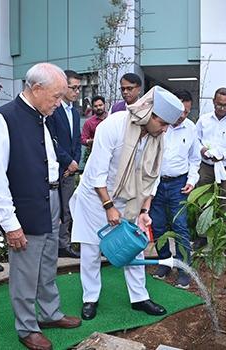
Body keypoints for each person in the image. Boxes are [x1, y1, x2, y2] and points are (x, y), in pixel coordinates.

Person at [0, 63, 81, 350]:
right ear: (36, 88)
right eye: (55, 96)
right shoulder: (4, 119)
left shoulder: (44, 115)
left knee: (48, 262)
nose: (58, 103)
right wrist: (10, 223)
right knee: (26, 270)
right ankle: (27, 326)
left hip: (51, 198)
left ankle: (50, 313)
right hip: (26, 205)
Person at [73, 85, 182, 322]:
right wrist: (109, 206)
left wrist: (144, 210)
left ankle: (139, 298)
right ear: (150, 113)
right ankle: (90, 298)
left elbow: (152, 179)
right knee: (92, 249)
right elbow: (96, 173)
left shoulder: (156, 138)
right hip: (95, 198)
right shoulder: (113, 126)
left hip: (131, 201)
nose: (164, 130)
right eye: (163, 123)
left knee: (135, 246)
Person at [148, 90, 201, 288]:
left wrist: (192, 180)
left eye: (187, 112)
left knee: (179, 226)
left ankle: (184, 268)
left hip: (179, 184)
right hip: (156, 184)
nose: (182, 116)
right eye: (180, 111)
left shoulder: (190, 128)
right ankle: (164, 263)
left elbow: (195, 159)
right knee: (158, 225)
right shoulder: (159, 125)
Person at [51, 70, 85, 259]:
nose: (77, 92)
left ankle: (64, 244)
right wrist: (67, 163)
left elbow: (77, 140)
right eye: (73, 87)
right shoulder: (54, 110)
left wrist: (75, 162)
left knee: (68, 207)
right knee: (56, 208)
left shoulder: (74, 112)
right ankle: (55, 244)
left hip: (70, 169)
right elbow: (52, 141)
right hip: (58, 168)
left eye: (79, 88)